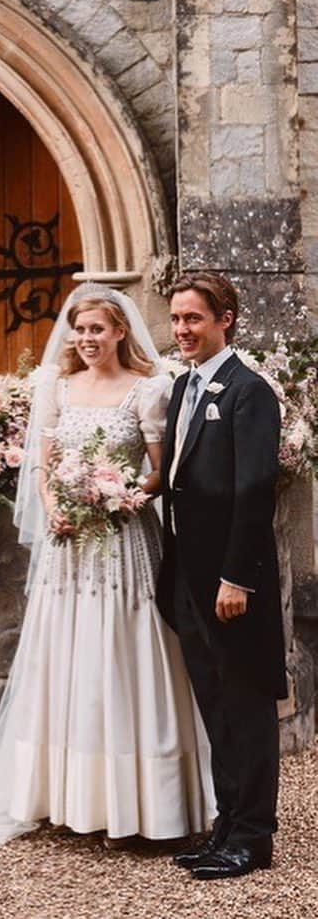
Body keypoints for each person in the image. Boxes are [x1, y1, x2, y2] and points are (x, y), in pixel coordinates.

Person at [0, 284, 212, 846]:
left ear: (120, 332)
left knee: (126, 653)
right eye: (80, 331)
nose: (87, 340)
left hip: (123, 541)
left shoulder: (149, 391)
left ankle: (144, 802)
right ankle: (64, 794)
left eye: (97, 330)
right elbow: (41, 467)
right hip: (68, 546)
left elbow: (160, 470)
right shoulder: (57, 386)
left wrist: (120, 497)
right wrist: (57, 508)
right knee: (69, 653)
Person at [158, 272, 285, 880]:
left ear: (225, 318)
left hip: (232, 586)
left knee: (246, 705)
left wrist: (237, 577)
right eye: (177, 319)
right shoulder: (184, 386)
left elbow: (255, 491)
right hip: (189, 578)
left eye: (193, 319)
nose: (182, 330)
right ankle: (225, 825)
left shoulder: (249, 391)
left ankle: (253, 837)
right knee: (214, 706)